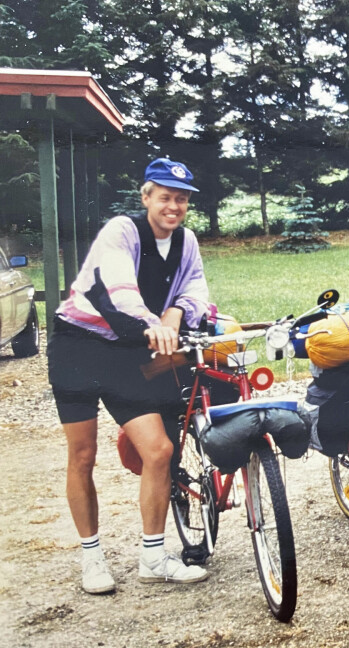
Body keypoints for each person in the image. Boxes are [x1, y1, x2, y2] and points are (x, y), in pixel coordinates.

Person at [48, 158, 210, 594]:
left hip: (125, 353)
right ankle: (92, 558)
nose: (173, 207)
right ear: (146, 197)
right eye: (164, 197)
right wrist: (150, 321)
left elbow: (195, 287)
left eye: (181, 199)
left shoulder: (186, 241)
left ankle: (153, 557)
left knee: (158, 450)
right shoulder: (121, 230)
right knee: (82, 456)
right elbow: (119, 286)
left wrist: (177, 312)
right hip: (77, 346)